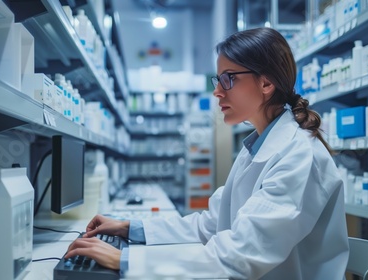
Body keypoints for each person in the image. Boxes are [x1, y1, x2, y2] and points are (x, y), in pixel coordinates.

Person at [65, 27, 349, 279]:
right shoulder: (257, 147)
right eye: (218, 79)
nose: (217, 92)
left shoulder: (297, 155)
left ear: (265, 83)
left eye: (228, 79)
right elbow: (212, 225)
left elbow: (240, 255)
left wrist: (125, 259)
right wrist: (131, 228)